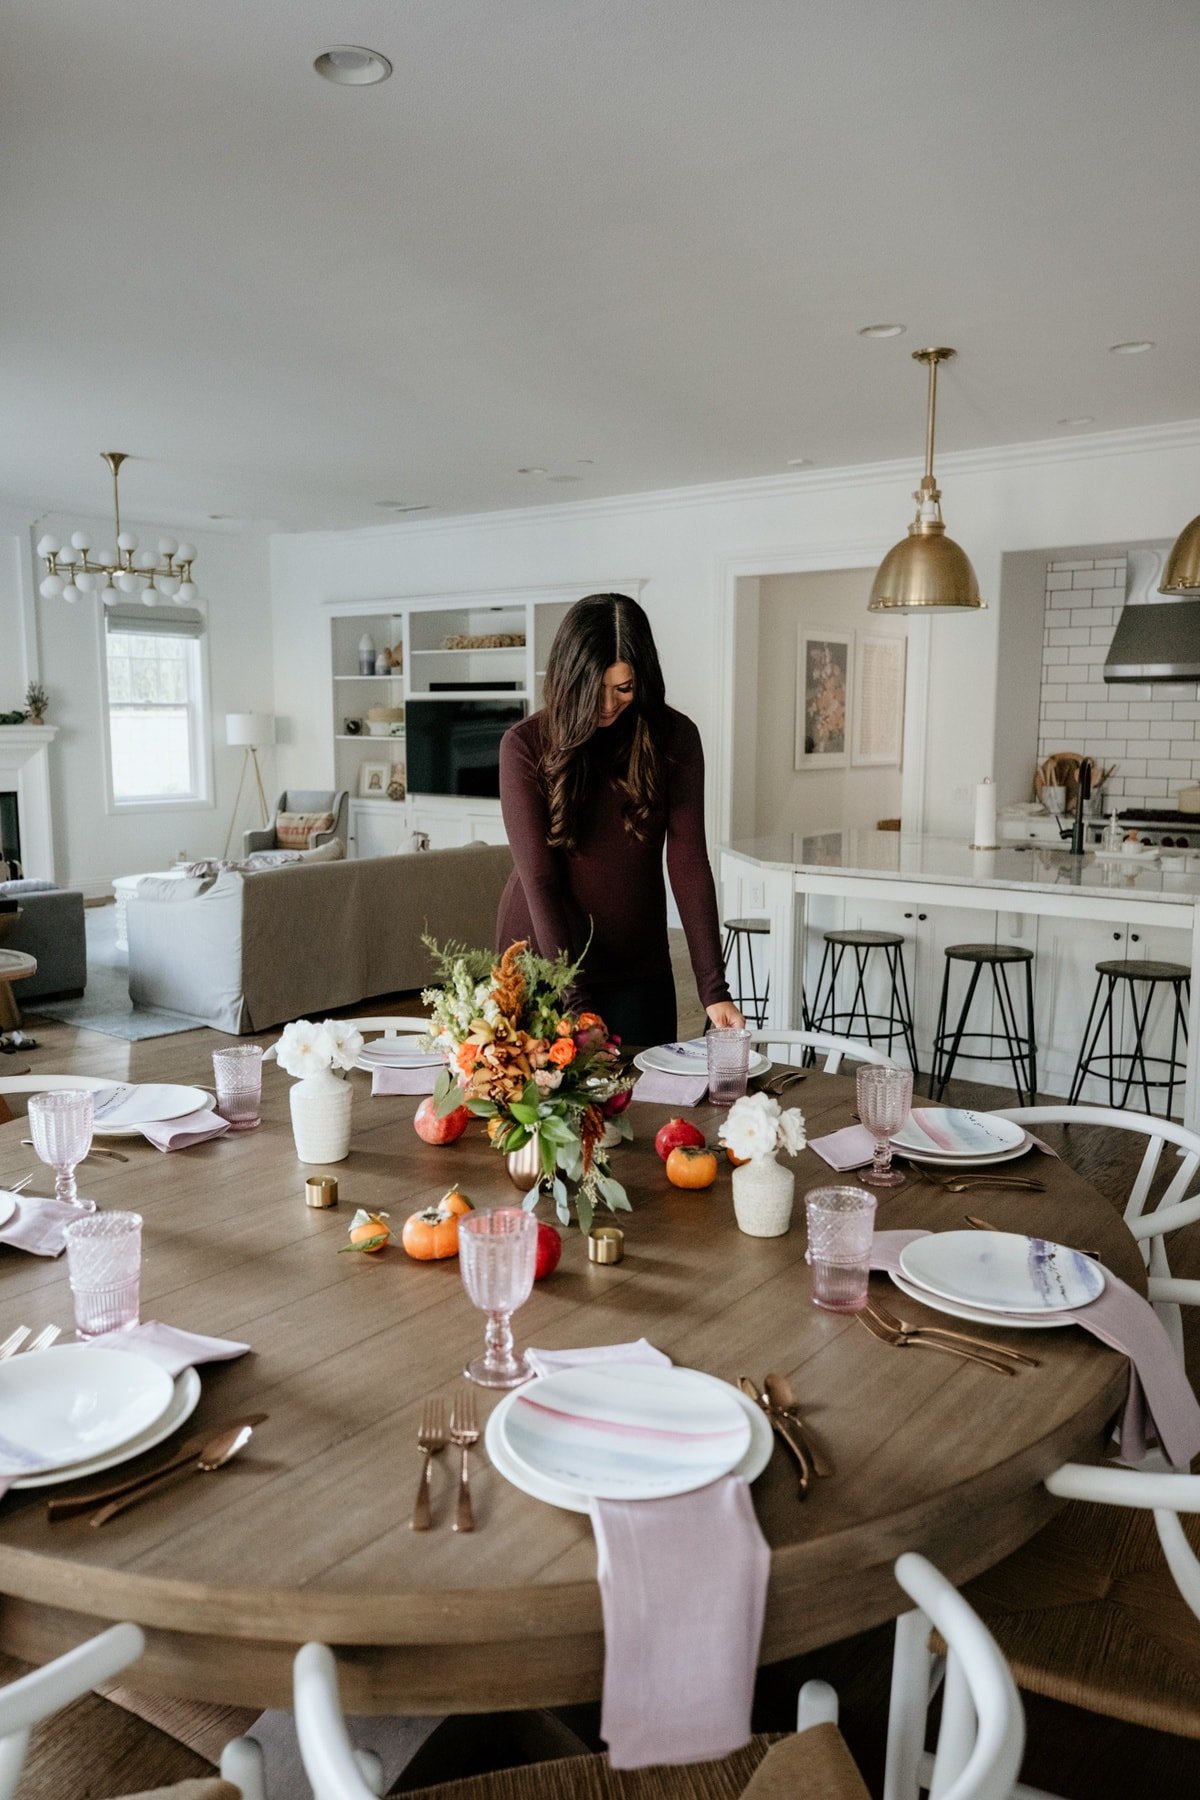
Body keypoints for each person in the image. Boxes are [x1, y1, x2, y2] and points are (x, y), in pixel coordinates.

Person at [497, 592, 744, 1046]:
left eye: (624, 688)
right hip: (543, 965)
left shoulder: (676, 739)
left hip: (637, 963)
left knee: (649, 1103)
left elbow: (688, 862)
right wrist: (574, 1003)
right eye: (595, 688)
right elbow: (540, 880)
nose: (609, 704)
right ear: (569, 678)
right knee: (544, 1113)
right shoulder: (525, 745)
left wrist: (714, 989)